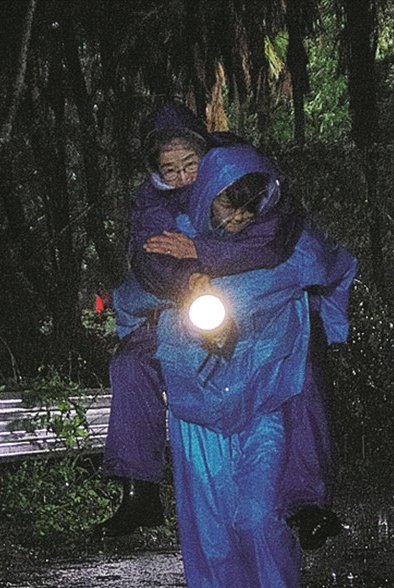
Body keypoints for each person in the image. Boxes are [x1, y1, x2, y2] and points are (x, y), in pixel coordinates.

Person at [114, 143, 356, 588]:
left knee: (256, 519)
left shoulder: (288, 247)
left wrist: (330, 328)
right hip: (197, 413)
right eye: (226, 205)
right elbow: (128, 298)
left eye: (248, 206)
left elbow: (338, 265)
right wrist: (163, 305)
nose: (237, 218)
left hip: (264, 404)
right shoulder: (174, 248)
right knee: (209, 540)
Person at [94, 101, 342, 550]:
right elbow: (149, 260)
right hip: (191, 303)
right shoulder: (152, 202)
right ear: (155, 171)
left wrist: (201, 253)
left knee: (302, 369)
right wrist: (189, 278)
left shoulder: (244, 168)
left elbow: (275, 239)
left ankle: (307, 500)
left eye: (191, 164)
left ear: (206, 155)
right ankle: (139, 487)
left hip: (265, 302)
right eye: (169, 169)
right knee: (130, 362)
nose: (183, 177)